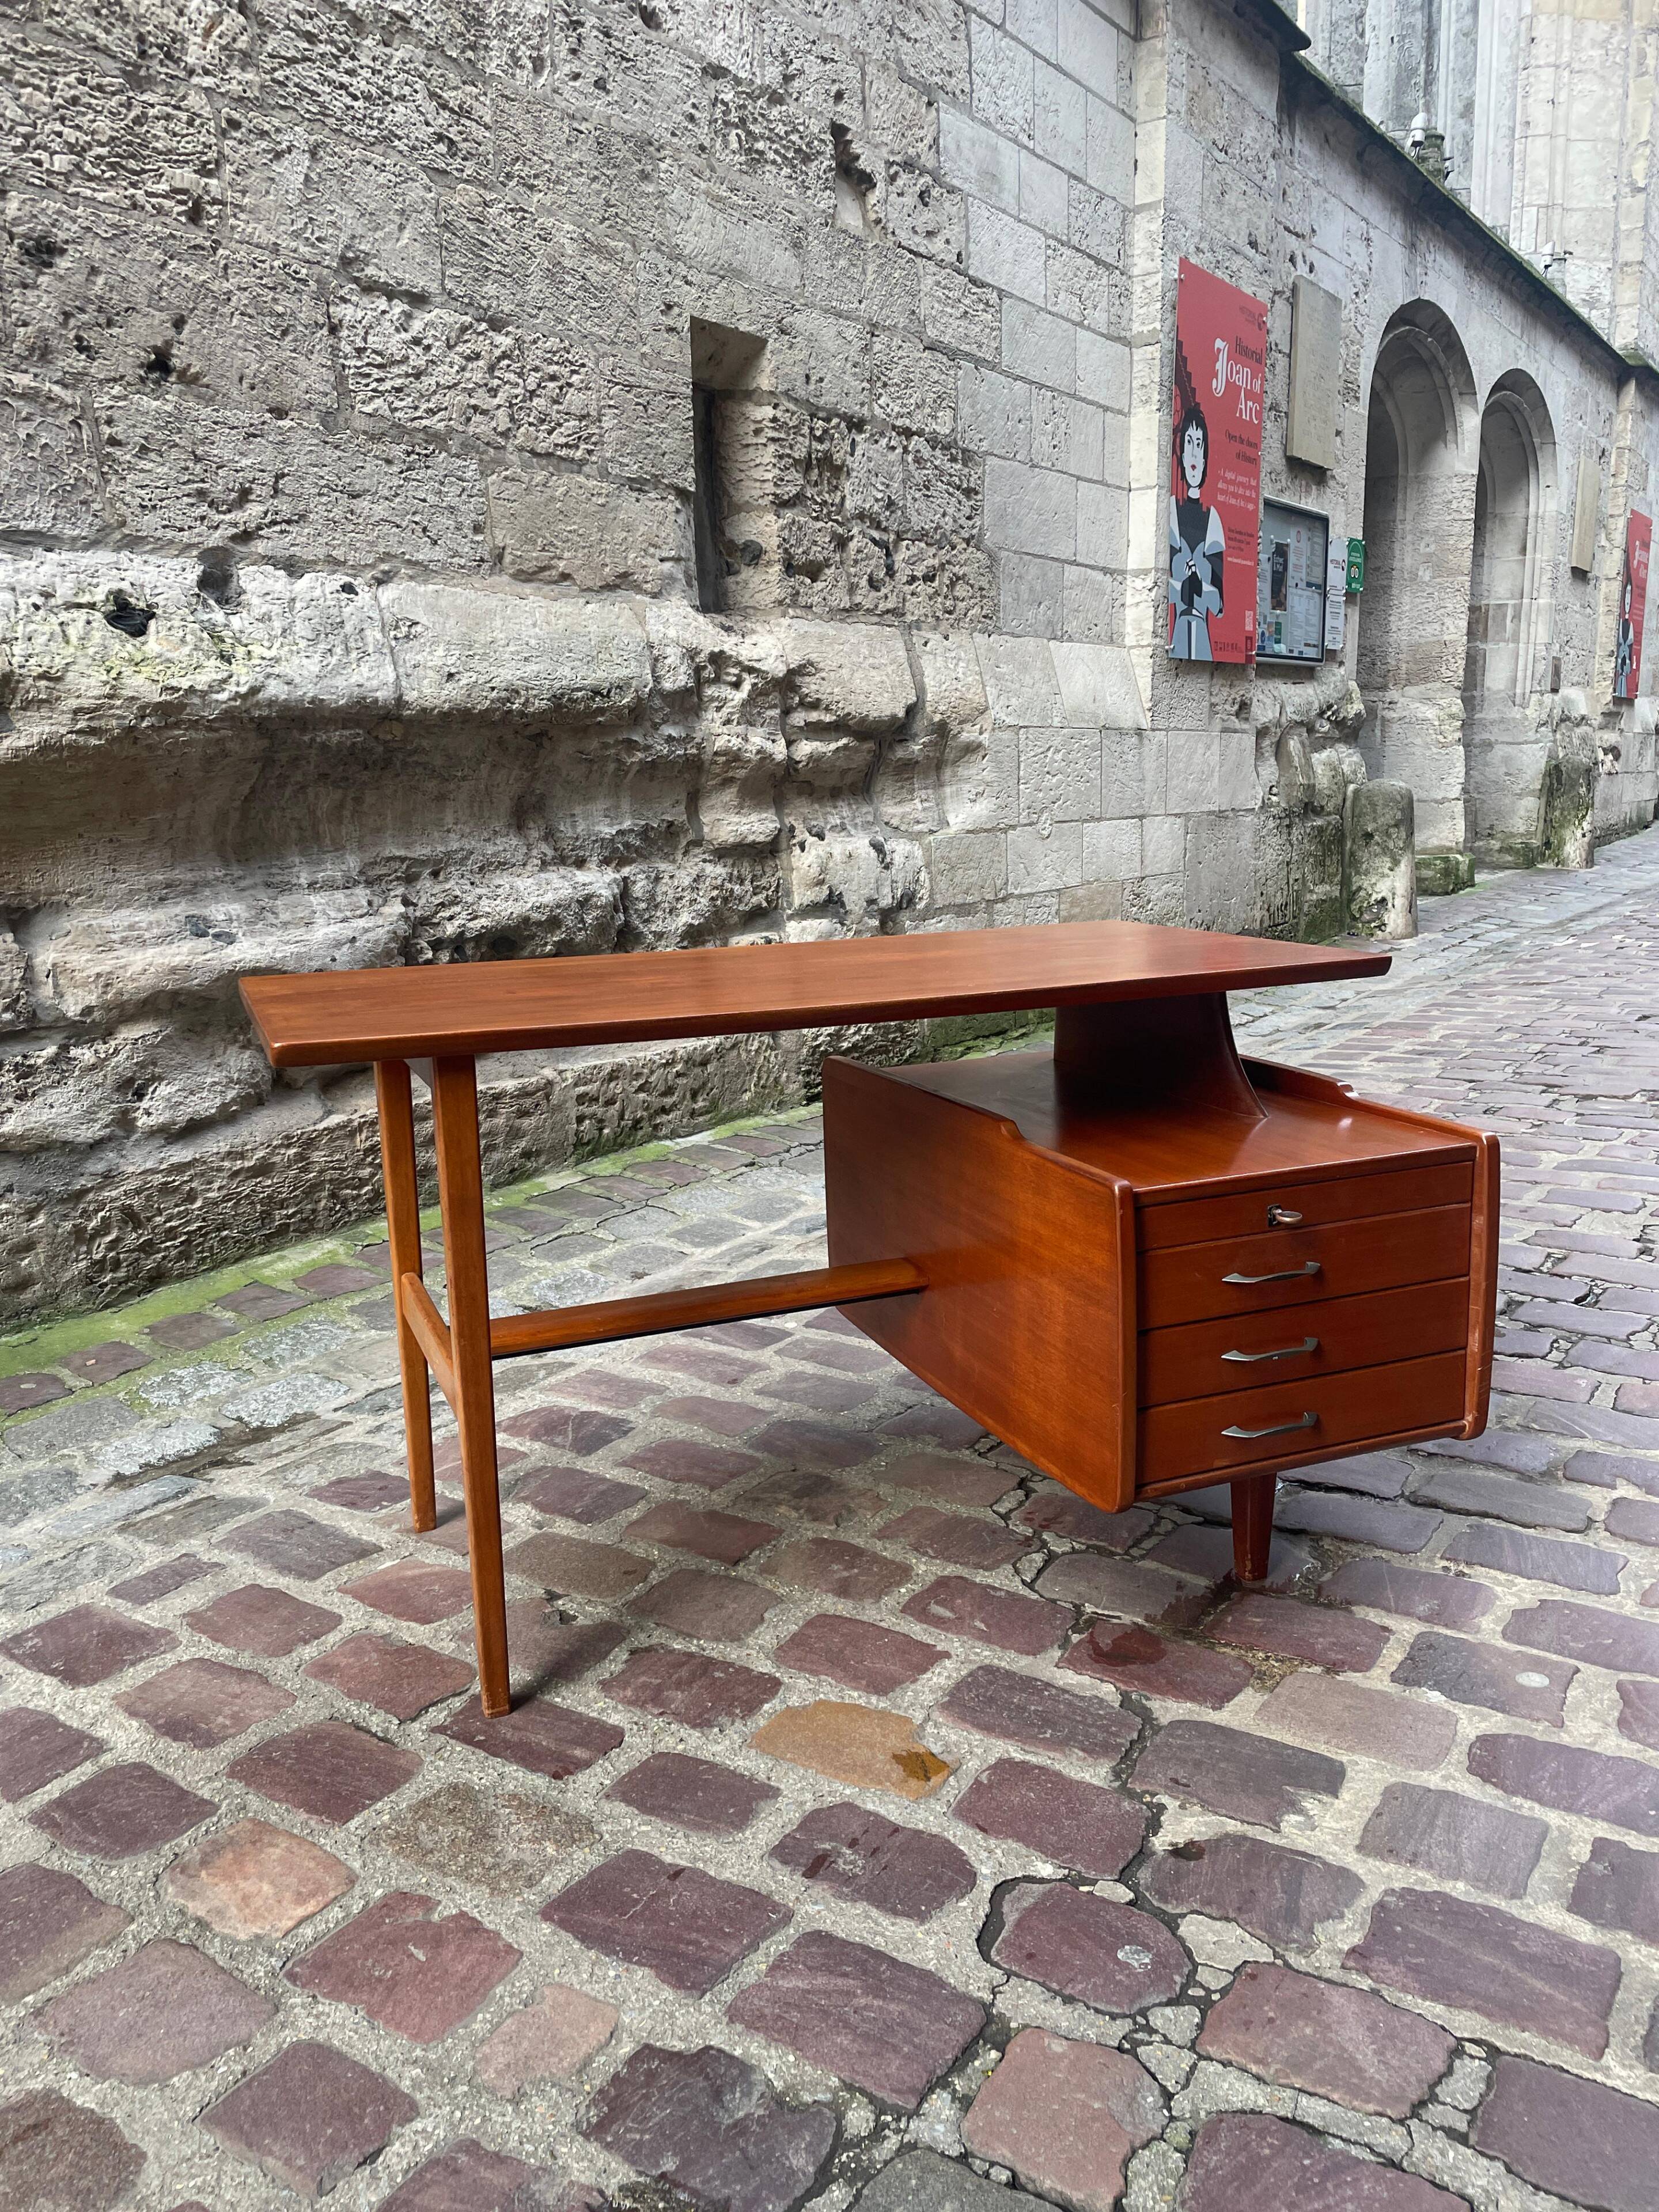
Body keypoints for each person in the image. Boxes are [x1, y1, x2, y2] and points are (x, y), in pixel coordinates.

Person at [1169, 402, 1225, 660]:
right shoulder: (1172, 510)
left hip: (1203, 631)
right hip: (1178, 629)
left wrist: (1201, 585)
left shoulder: (1212, 520)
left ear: (1205, 458)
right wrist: (1181, 585)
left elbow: (1219, 604)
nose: (1193, 454)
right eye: (1189, 443)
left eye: (1199, 445)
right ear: (1181, 451)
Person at [1613, 562, 1637, 698]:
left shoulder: (1631, 626)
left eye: (1630, 593)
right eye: (1626, 594)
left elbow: (1631, 648)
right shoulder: (1622, 623)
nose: (1628, 599)